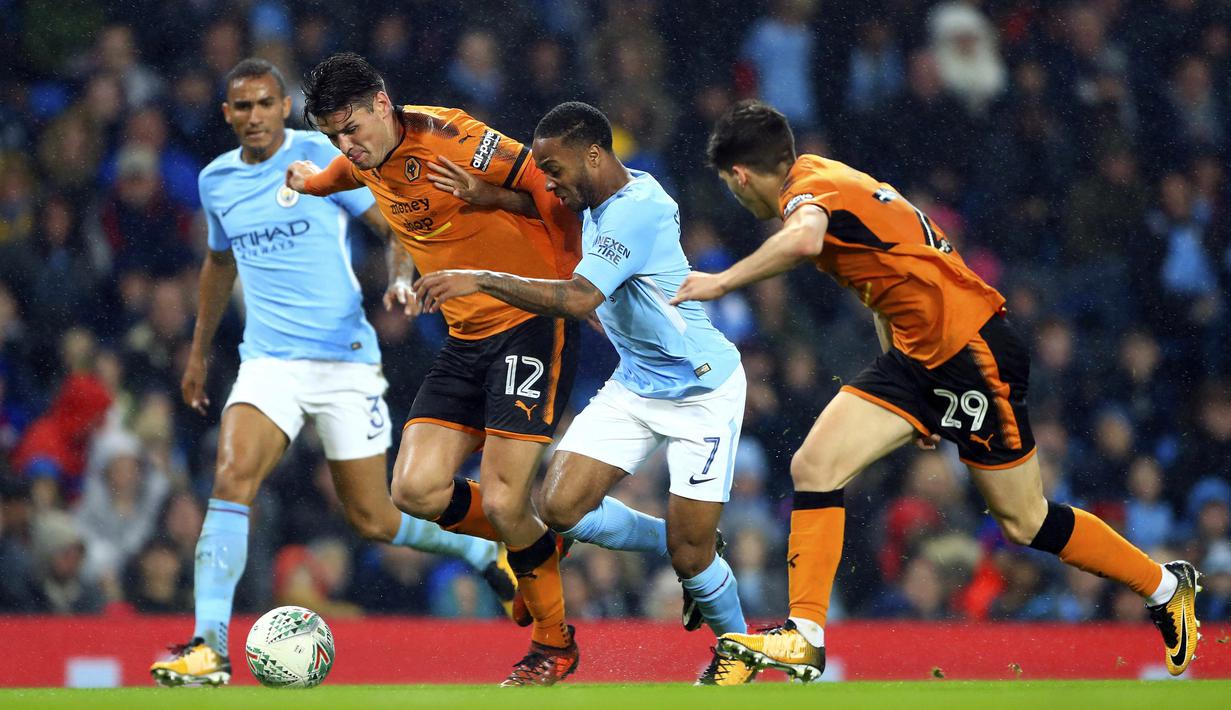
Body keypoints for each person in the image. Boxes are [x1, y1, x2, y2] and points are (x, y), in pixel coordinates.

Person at [673, 100, 1203, 681]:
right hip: (916, 358)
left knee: (1024, 520)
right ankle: (805, 634)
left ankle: (1164, 585)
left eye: (728, 185)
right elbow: (885, 284)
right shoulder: (827, 175)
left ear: (740, 176)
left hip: (971, 352)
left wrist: (721, 281)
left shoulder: (808, 194)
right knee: (814, 465)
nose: (734, 197)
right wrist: (907, 402)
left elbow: (802, 241)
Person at [150, 59, 516, 687]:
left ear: (282, 107)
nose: (255, 115)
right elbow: (218, 265)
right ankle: (208, 647)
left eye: (265, 103)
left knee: (374, 518)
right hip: (269, 363)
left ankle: (475, 546)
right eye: (243, 106)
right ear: (228, 114)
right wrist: (198, 352)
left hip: (344, 359)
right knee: (232, 477)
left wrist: (399, 279)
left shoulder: (323, 155)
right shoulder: (216, 181)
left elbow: (393, 223)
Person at [415, 102, 755, 686]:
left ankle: (739, 651)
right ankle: (680, 542)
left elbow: (578, 299)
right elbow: (543, 208)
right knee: (559, 508)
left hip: (702, 390)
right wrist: (490, 195)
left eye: (553, 170)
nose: (548, 184)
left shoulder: (638, 210)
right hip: (637, 382)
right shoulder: (599, 198)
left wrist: (483, 278)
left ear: (593, 155)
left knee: (692, 558)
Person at [285, 52, 584, 686]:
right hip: (465, 338)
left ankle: (553, 644)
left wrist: (565, 273)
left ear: (382, 103)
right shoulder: (364, 155)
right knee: (413, 490)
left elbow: (548, 184)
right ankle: (536, 542)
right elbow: (347, 172)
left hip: (529, 322)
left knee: (503, 499)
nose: (347, 145)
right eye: (333, 135)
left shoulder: (453, 136)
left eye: (352, 128)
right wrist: (311, 182)